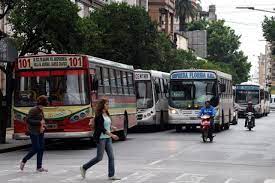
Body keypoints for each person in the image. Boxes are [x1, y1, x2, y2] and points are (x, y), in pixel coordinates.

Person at [80, 99, 120, 180]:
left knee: (111, 157)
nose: (108, 106)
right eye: (106, 104)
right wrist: (112, 135)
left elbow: (107, 124)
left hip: (108, 139)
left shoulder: (107, 113)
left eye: (108, 104)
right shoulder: (98, 115)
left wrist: (112, 127)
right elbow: (101, 128)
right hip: (101, 138)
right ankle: (84, 167)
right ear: (102, 105)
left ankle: (111, 175)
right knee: (99, 158)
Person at [20, 95, 48, 172]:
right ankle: (24, 160)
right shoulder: (34, 110)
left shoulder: (40, 110)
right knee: (36, 148)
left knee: (41, 148)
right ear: (41, 103)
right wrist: (39, 122)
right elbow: (28, 120)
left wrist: (44, 125)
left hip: (40, 131)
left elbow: (42, 120)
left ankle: (39, 167)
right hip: (33, 131)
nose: (44, 106)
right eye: (44, 104)